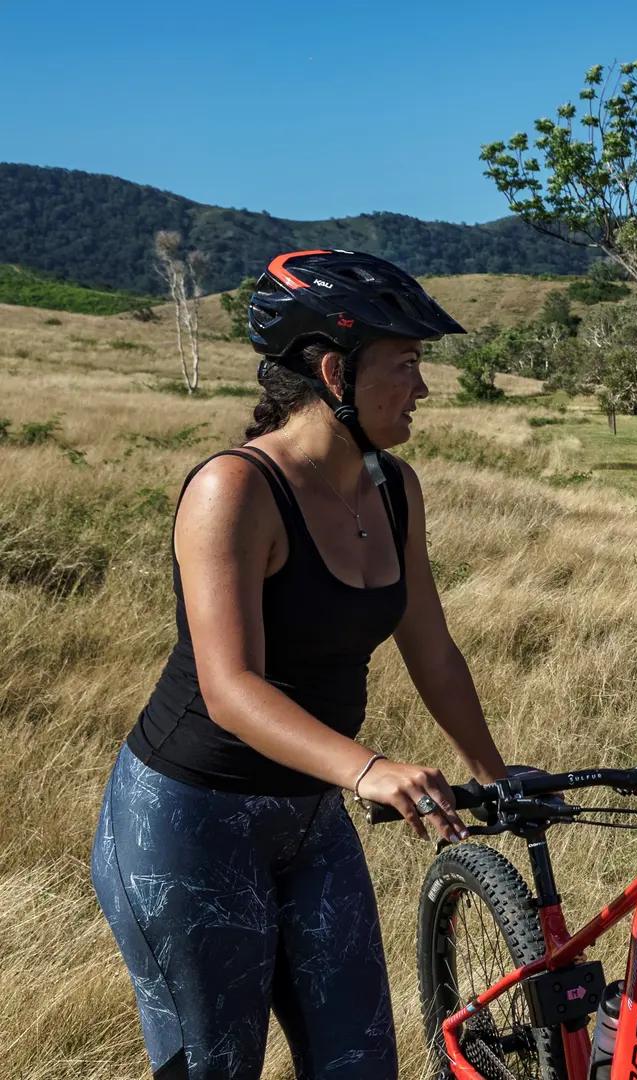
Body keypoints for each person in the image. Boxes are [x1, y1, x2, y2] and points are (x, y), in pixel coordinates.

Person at [90, 250, 513, 1080]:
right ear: (333, 371)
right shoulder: (235, 490)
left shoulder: (395, 488)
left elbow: (429, 644)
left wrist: (492, 774)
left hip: (310, 820)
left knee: (361, 1063)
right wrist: (370, 770)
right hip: (188, 822)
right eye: (407, 365)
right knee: (218, 1066)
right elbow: (229, 688)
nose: (423, 388)